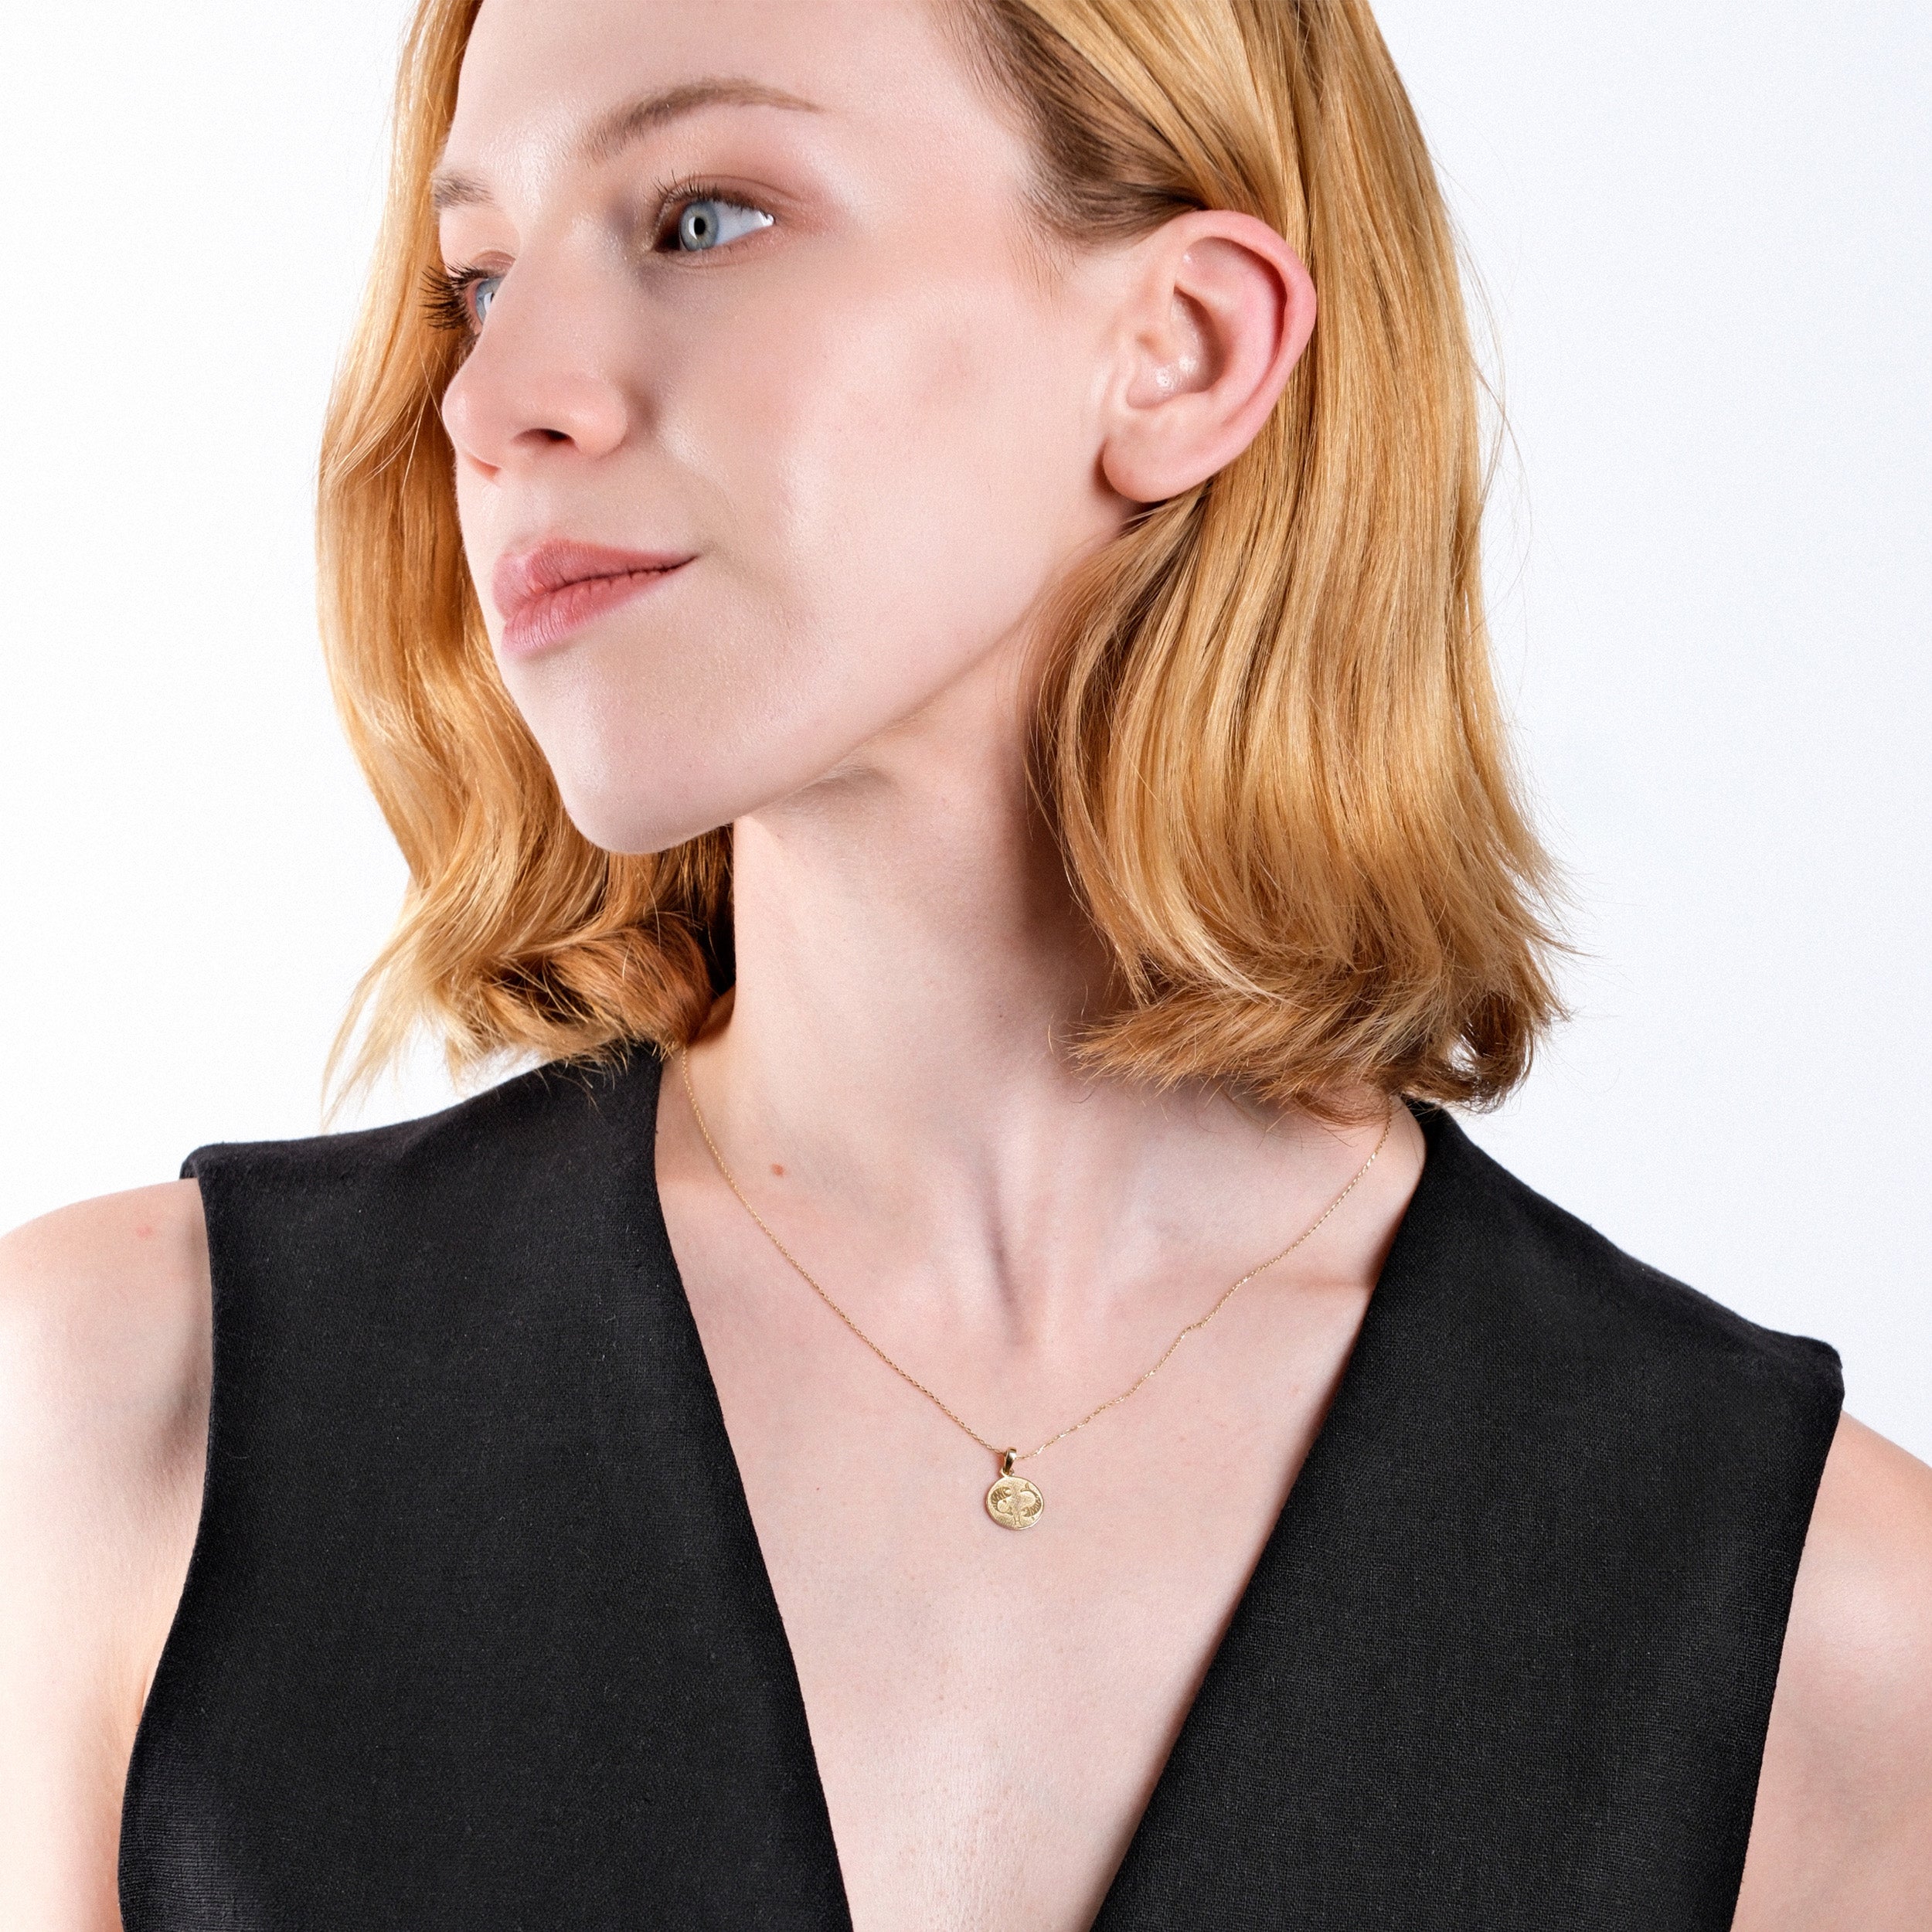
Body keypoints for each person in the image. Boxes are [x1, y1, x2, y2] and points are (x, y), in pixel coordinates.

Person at [4, 0, 1929, 1924]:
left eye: (701, 218)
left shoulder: (1822, 1638)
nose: (498, 398)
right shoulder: (109, 1421)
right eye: (478, 281)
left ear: (1180, 350)